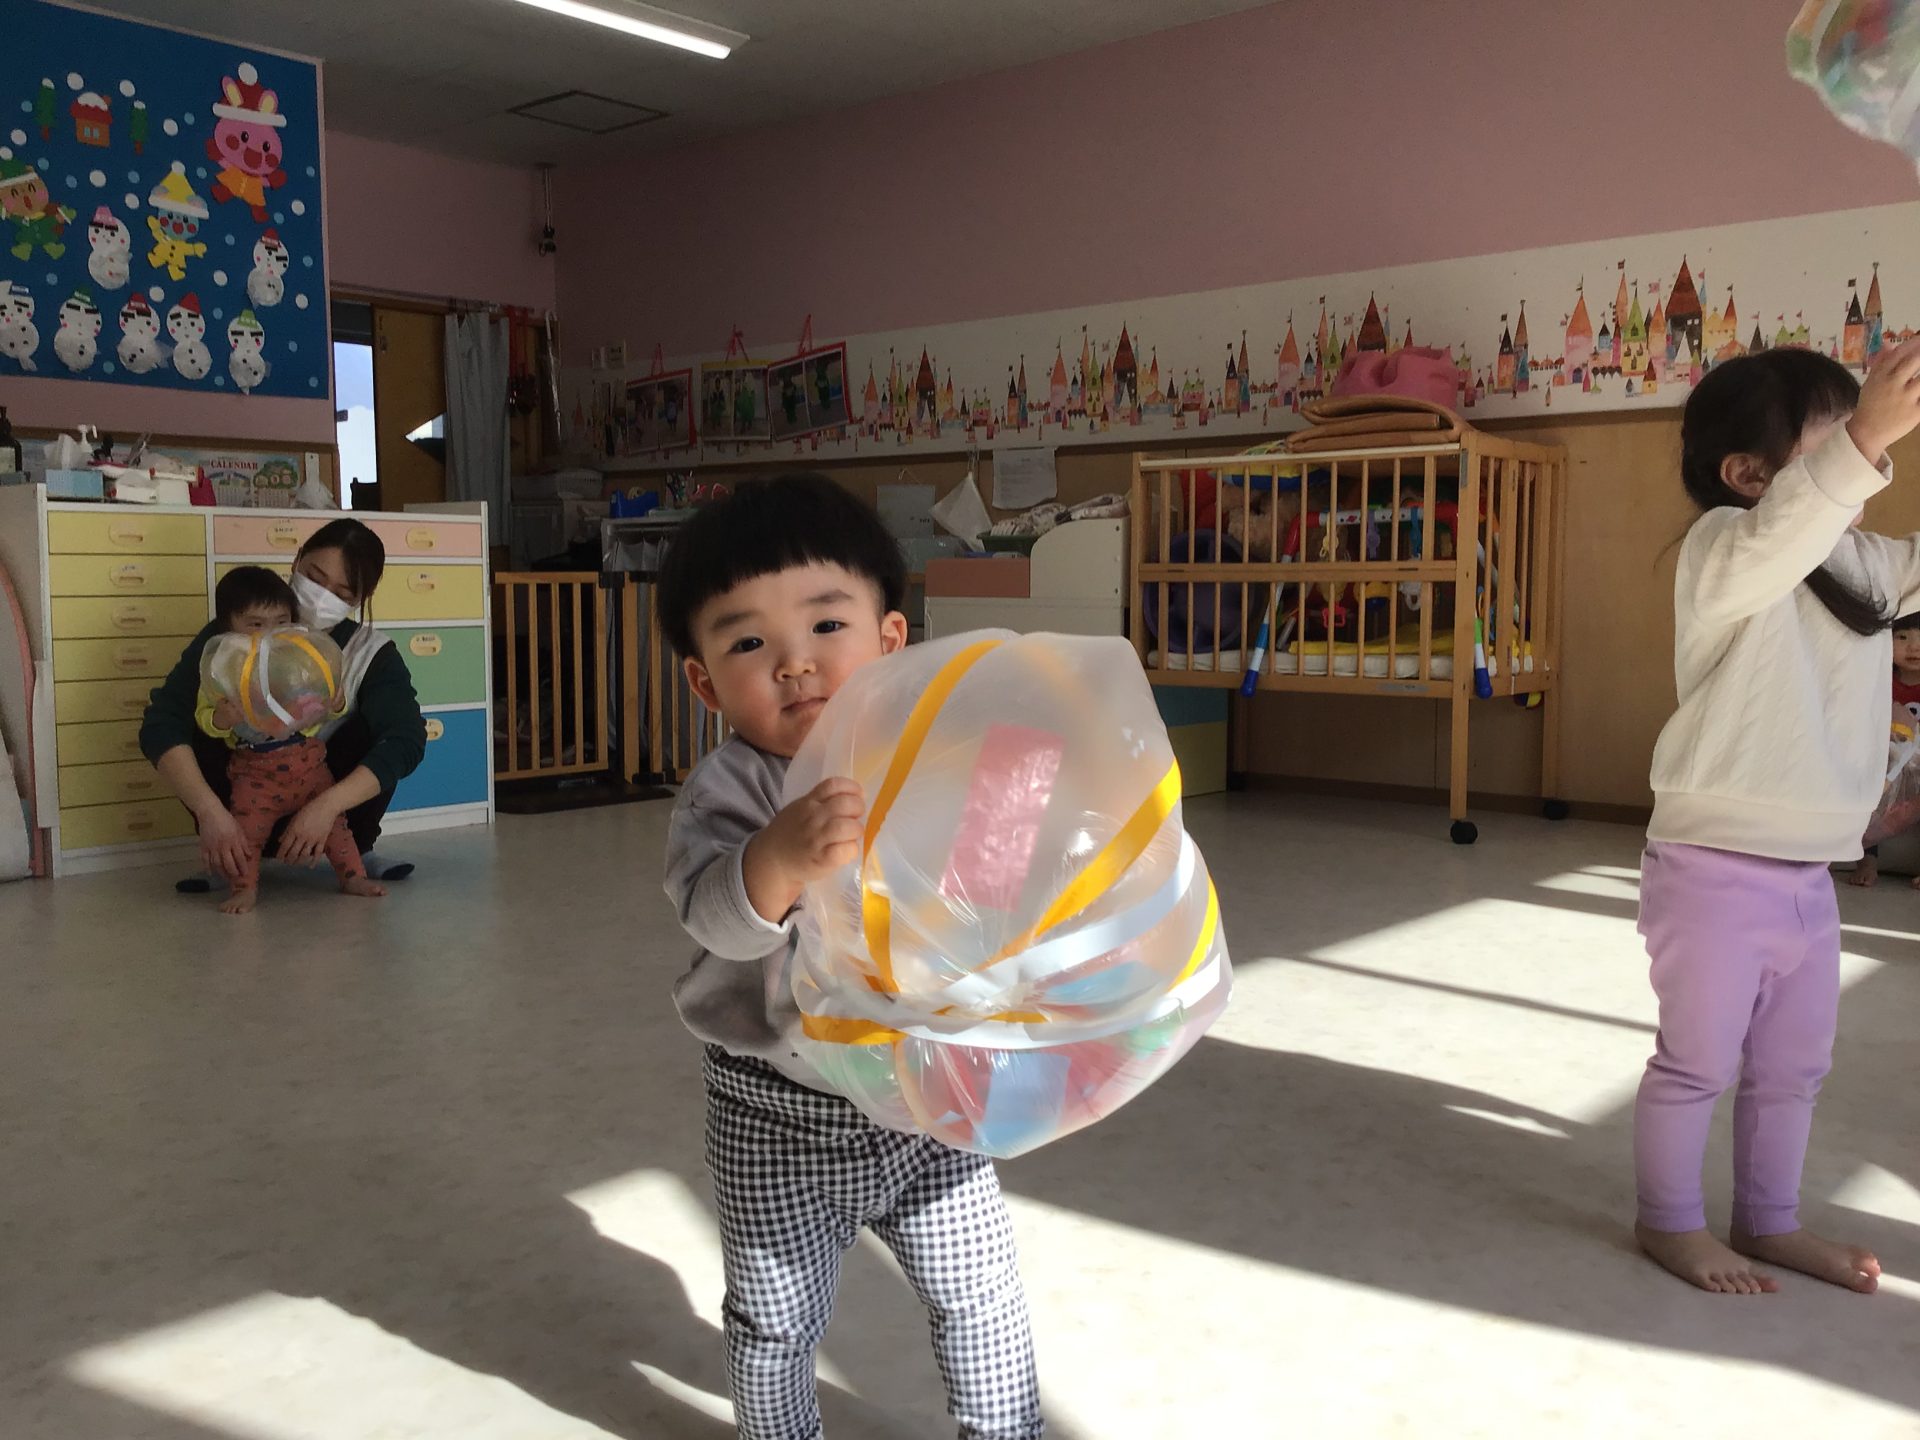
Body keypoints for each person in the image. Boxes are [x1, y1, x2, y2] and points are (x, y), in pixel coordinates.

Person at [657, 475, 1045, 1440]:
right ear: (705, 682)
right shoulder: (726, 792)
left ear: (890, 640)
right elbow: (714, 922)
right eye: (749, 644)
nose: (795, 663)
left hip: (924, 1099)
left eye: (827, 625)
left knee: (981, 1295)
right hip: (773, 1113)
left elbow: (982, 897)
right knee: (774, 1324)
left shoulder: (929, 758)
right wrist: (778, 857)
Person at [1634, 341, 1920, 1296]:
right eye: (1840, 438)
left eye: (1870, 440)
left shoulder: (1868, 564)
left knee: (1795, 1069)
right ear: (1748, 474)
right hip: (1710, 868)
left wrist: (1859, 443)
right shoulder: (1723, 547)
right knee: (1697, 1064)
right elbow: (1785, 536)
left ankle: (1769, 1220)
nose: (1870, 457)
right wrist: (1868, 436)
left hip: (1810, 877)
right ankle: (1669, 1222)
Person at [140, 518, 427, 894]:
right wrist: (209, 812)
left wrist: (327, 807)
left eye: (341, 592)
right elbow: (162, 722)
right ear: (296, 560)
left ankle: (357, 851)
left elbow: (407, 739)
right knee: (204, 716)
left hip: (325, 807)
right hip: (242, 802)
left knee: (376, 729)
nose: (321, 597)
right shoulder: (234, 636)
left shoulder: (370, 653)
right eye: (315, 577)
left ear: (360, 599)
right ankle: (230, 857)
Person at [193, 565, 384, 915]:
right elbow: (204, 720)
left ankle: (353, 877)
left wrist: (334, 701)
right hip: (254, 773)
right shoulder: (223, 669)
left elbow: (322, 710)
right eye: (255, 624)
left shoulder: (294, 661)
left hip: (308, 764)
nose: (269, 633)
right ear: (228, 628)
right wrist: (222, 718)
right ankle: (244, 888)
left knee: (337, 829)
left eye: (280, 622)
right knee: (246, 833)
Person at [1848, 610, 1920, 887]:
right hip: (1886, 761)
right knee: (1869, 797)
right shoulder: (1880, 681)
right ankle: (1867, 859)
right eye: (1902, 637)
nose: (1913, 647)